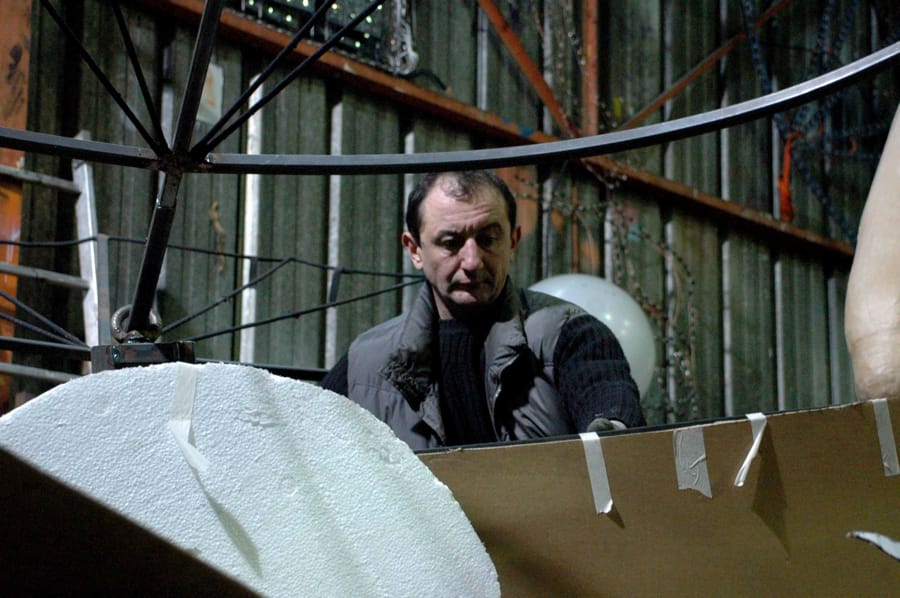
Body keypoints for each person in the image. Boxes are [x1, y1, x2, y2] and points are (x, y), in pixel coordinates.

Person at [321, 170, 645, 449]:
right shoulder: (363, 364)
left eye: (488, 239)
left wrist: (613, 432)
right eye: (450, 243)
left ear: (513, 241)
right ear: (414, 249)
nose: (472, 261)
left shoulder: (570, 335)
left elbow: (609, 403)